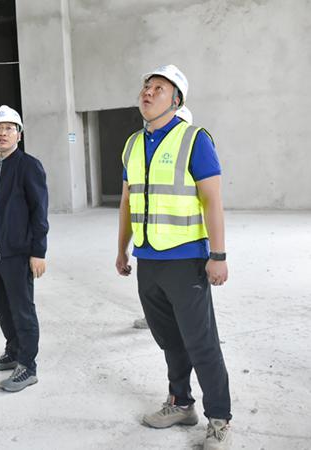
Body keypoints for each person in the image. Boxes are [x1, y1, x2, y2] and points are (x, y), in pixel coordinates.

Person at [115, 65, 232, 449]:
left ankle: (219, 418)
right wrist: (122, 248)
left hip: (186, 261)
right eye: (146, 87)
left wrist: (218, 255)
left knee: (201, 341)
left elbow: (212, 200)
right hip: (148, 260)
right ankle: (181, 403)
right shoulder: (132, 144)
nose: (148, 92)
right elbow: (127, 201)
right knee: (169, 339)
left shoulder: (195, 139)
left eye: (159, 88)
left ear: (176, 100)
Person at [0, 105, 49, 393]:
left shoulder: (28, 166)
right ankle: (14, 351)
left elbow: (39, 212)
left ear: (19, 134)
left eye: (9, 128)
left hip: (17, 253)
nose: (2, 133)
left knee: (22, 309)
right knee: (1, 306)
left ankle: (28, 366)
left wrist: (38, 252)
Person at [132, 105, 193, 330]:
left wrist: (217, 254)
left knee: (186, 299)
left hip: (183, 244)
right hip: (149, 241)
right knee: (156, 292)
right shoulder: (141, 148)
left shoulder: (189, 146)